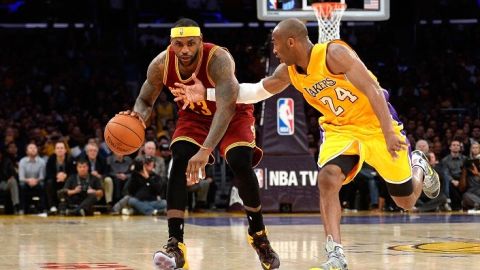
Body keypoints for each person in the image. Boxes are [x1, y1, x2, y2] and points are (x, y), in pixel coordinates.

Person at [173, 18, 441, 270]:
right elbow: (253, 91)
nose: (274, 50)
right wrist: (207, 93)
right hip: (340, 130)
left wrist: (389, 131)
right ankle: (335, 254)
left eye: (276, 43)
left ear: (292, 41)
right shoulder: (288, 72)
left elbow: (372, 89)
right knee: (327, 178)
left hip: (376, 125)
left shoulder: (334, 54)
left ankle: (418, 164)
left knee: (405, 200)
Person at [120, 18, 279, 270]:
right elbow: (145, 99)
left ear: (200, 42)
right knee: (179, 158)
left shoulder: (218, 59)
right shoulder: (161, 64)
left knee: (239, 160)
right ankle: (175, 244)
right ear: (171, 44)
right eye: (178, 44)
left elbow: (226, 107)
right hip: (194, 115)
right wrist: (137, 117)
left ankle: (258, 236)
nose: (184, 50)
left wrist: (205, 150)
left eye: (190, 44)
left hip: (232, 113)